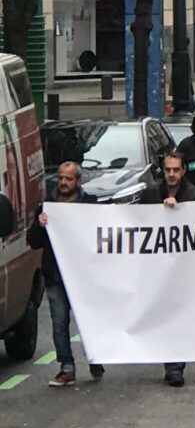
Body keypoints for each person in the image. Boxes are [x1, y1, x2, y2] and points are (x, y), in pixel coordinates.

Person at [27, 162, 102, 388]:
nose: (62, 182)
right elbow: (33, 242)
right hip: (56, 276)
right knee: (59, 322)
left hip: (83, 277)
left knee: (89, 320)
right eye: (60, 178)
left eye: (68, 179)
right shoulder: (48, 207)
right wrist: (40, 226)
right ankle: (66, 367)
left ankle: (96, 356)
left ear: (78, 181)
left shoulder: (90, 205)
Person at [140, 152, 195, 387]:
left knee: (177, 318)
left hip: (183, 269)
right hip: (156, 268)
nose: (171, 174)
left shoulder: (193, 195)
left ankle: (175, 367)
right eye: (168, 170)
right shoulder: (150, 194)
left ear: (183, 171)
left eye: (176, 170)